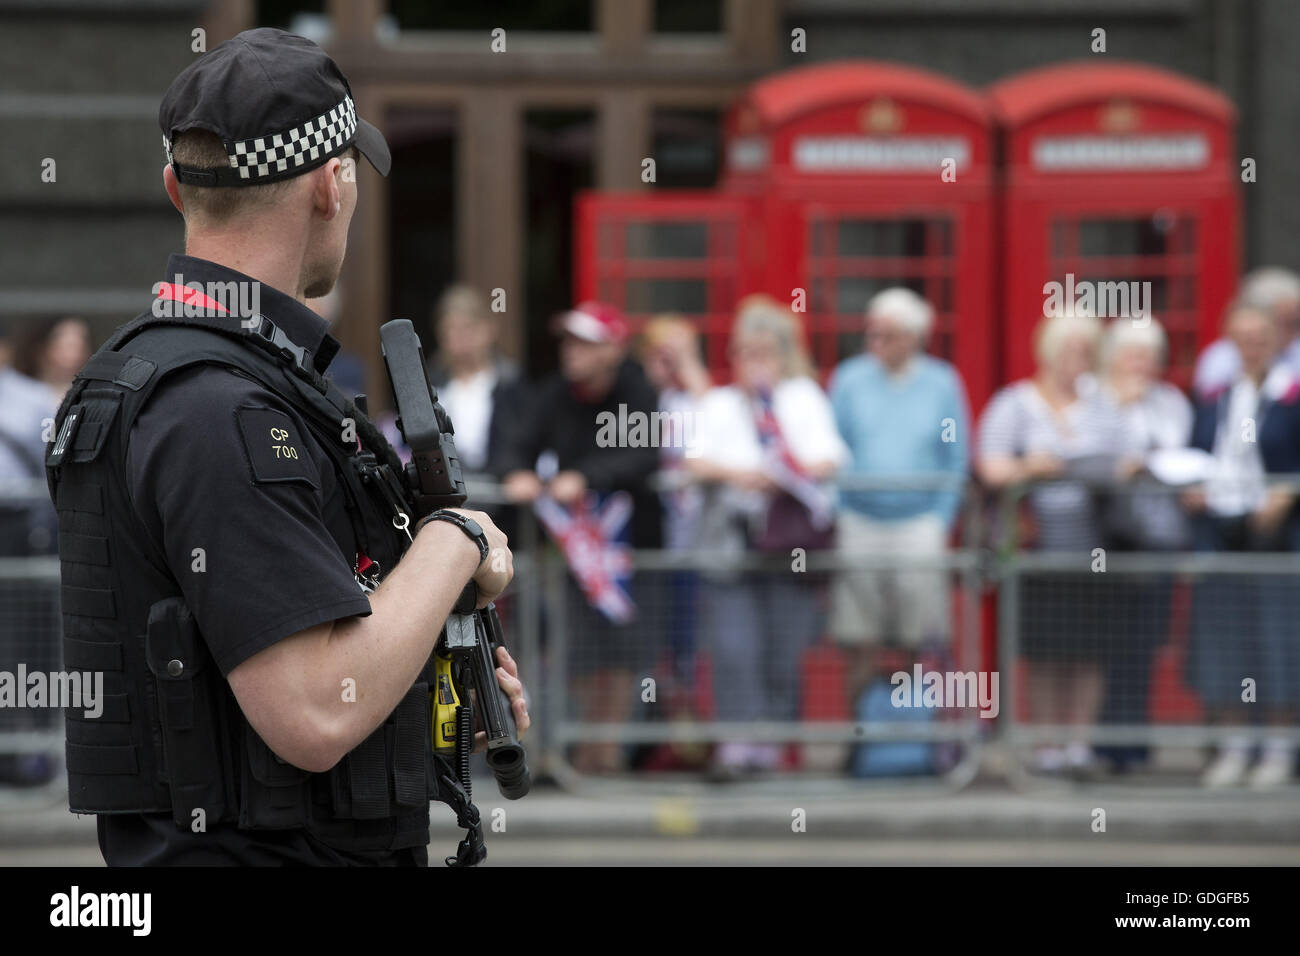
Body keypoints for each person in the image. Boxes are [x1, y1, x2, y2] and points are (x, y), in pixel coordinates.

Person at [46, 28, 527, 866]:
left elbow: (308, 646)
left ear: (173, 186)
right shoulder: (221, 409)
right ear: (330, 187)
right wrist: (463, 540)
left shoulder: (198, 380)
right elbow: (314, 713)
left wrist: (423, 687)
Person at [687, 295, 848, 775]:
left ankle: (772, 743)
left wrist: (783, 473)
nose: (753, 363)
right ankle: (736, 741)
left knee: (784, 645)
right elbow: (693, 461)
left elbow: (830, 458)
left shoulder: (803, 398)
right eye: (743, 353)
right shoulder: (717, 403)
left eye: (763, 352)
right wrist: (741, 475)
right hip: (730, 545)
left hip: (789, 547)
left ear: (783, 355)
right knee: (735, 646)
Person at [499, 301, 662, 774]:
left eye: (584, 342)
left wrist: (585, 477)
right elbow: (516, 443)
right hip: (574, 553)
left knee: (622, 654)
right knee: (582, 653)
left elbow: (645, 455)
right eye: (568, 340)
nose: (570, 351)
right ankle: (580, 749)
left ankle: (602, 751)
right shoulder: (556, 393)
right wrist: (516, 472)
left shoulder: (638, 390)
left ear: (613, 349)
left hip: (632, 551)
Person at [976, 311, 1138, 774]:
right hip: (1037, 547)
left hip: (1094, 546)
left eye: (1086, 351)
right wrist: (1030, 468)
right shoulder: (1015, 403)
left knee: (1089, 649)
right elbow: (989, 465)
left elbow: (1129, 458)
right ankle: (1044, 740)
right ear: (1047, 352)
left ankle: (1079, 743)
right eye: (1069, 349)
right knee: (1044, 650)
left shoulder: (1104, 405)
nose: (1077, 360)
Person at [827, 287, 970, 707]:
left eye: (887, 335)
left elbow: (956, 456)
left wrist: (941, 519)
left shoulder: (942, 384)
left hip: (919, 522)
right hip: (859, 520)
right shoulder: (849, 380)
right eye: (872, 334)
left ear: (913, 336)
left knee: (917, 636)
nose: (876, 344)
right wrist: (839, 510)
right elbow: (830, 449)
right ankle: (861, 741)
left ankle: (911, 739)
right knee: (859, 636)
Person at [1184, 302, 1300, 789]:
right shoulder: (1215, 399)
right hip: (1222, 530)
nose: (1251, 346)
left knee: (1279, 643)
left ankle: (1277, 747)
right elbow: (1195, 452)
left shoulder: (1292, 398)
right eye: (1242, 338)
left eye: (1260, 337)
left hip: (1278, 536)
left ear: (1277, 341)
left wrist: (1288, 490)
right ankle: (1234, 746)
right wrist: (1189, 484)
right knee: (1225, 643)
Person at [1093, 318, 1193, 772]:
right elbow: (1088, 454)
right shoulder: (1094, 397)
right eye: (1134, 354)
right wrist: (1119, 411)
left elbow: (1181, 452)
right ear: (1113, 357)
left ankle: (1135, 739)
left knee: (1145, 642)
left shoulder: (1169, 402)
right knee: (1104, 641)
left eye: (1151, 356)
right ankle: (1100, 740)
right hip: (1107, 539)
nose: (1143, 365)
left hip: (1160, 536)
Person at [1193, 267, 1300, 398]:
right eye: (1284, 322)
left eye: (1295, 322)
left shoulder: (1296, 351)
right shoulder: (1219, 358)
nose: (1291, 331)